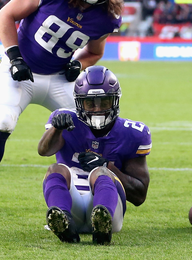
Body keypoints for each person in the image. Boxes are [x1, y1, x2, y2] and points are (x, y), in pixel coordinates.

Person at [0, 0, 124, 212]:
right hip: (21, 72)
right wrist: (15, 58)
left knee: (91, 127)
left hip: (57, 78)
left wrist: (78, 64)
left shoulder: (106, 16)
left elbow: (95, 52)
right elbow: (5, 15)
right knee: (4, 122)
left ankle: (90, 192)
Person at [37, 65, 151, 245]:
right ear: (79, 103)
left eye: (104, 102)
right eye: (90, 103)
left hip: (110, 207)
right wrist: (56, 129)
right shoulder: (65, 120)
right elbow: (44, 151)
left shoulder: (133, 133)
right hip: (72, 202)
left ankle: (102, 223)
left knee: (101, 173)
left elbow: (139, 196)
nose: (97, 109)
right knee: (54, 169)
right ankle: (63, 219)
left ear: (115, 101)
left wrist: (108, 167)